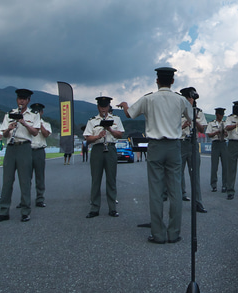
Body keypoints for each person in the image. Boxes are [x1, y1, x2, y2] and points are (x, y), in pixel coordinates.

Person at [120, 67, 191, 244]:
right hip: (174, 145)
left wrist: (125, 106)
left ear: (157, 81)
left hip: (155, 145)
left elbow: (130, 113)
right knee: (175, 190)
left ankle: (158, 234)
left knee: (156, 190)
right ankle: (174, 233)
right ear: (172, 81)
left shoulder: (148, 98)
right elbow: (191, 117)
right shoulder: (180, 99)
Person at [0, 88, 41, 223]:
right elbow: (4, 134)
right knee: (7, 181)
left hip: (24, 147)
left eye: (24, 99)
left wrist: (24, 123)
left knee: (25, 181)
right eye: (20, 99)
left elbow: (35, 133)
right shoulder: (10, 114)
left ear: (28, 101)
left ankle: (25, 211)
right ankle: (3, 211)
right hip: (11, 147)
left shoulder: (33, 115)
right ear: (17, 100)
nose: (22, 101)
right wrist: (9, 128)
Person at [83, 96, 124, 218]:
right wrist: (97, 136)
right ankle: (94, 208)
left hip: (110, 148)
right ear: (98, 107)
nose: (103, 109)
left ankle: (112, 208)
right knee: (96, 179)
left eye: (105, 106)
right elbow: (87, 139)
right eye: (101, 107)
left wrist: (109, 129)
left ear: (108, 107)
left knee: (111, 179)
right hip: (97, 149)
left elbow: (120, 135)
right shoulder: (92, 121)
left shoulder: (116, 119)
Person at [179, 87, 207, 213]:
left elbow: (202, 130)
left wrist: (194, 119)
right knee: (177, 173)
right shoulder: (177, 111)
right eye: (186, 98)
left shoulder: (198, 112)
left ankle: (198, 202)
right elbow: (171, 129)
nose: (188, 100)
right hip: (180, 143)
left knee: (195, 174)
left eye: (190, 98)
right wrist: (183, 125)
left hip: (193, 143)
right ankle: (178, 199)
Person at [29, 103, 51, 208]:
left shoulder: (45, 124)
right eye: (34, 111)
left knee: (40, 176)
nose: (36, 113)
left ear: (42, 112)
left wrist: (39, 123)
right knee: (25, 177)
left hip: (39, 150)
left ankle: (40, 198)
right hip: (27, 150)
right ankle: (25, 199)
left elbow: (46, 134)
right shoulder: (28, 123)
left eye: (38, 111)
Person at [205, 107, 228, 193]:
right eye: (220, 114)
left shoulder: (225, 123)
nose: (221, 116)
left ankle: (225, 185)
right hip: (215, 144)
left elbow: (228, 134)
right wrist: (216, 132)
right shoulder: (211, 123)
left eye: (222, 115)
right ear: (216, 114)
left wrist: (225, 133)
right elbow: (209, 134)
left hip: (223, 143)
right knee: (214, 166)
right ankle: (213, 185)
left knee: (225, 166)